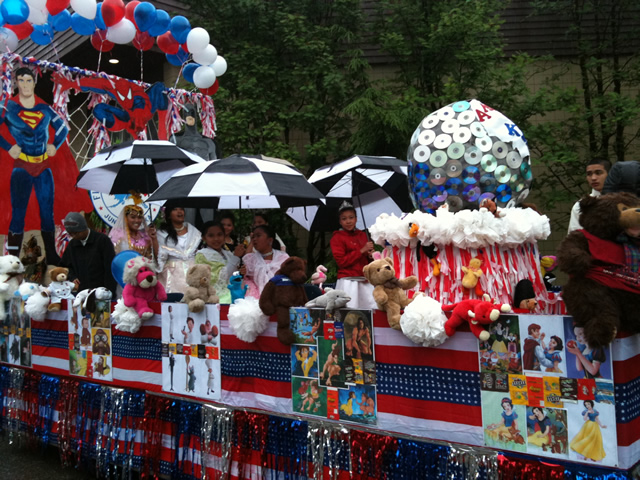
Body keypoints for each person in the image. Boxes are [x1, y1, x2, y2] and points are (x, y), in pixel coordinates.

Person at [0, 67, 69, 264]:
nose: (25, 85)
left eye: (28, 80)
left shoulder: (44, 109)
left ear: (34, 82)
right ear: (16, 83)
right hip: (22, 165)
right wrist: (8, 147)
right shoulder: (8, 107)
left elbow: (63, 128)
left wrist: (55, 144)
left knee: (47, 213)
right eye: (21, 80)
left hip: (43, 166)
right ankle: (12, 259)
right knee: (18, 213)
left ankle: (51, 255)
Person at [330, 201, 376, 310]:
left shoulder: (363, 235)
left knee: (371, 310)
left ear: (356, 219)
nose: (348, 221)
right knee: (349, 312)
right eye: (344, 219)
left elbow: (368, 260)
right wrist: (361, 251)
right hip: (348, 281)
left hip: (365, 280)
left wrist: (370, 256)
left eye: (351, 217)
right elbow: (341, 262)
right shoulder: (337, 238)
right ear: (340, 222)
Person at [59, 212, 117, 296]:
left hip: (101, 293)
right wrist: (72, 277)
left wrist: (109, 292)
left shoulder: (102, 241)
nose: (74, 236)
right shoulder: (72, 245)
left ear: (84, 228)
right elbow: (65, 266)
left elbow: (110, 269)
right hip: (81, 294)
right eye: (71, 234)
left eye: (76, 233)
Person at [194, 221, 245, 304]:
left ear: (224, 236)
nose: (216, 239)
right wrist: (235, 258)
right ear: (204, 238)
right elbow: (218, 279)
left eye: (219, 235)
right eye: (211, 235)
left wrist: (241, 271)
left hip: (232, 293)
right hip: (215, 297)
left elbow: (233, 275)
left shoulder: (228, 253)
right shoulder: (202, 255)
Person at [157, 202, 201, 296]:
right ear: (169, 215)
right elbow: (160, 256)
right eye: (175, 209)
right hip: (172, 274)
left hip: (192, 270)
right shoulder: (162, 233)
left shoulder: (194, 231)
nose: (179, 212)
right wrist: (153, 239)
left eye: (181, 209)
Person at [240, 225, 289, 298]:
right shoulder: (251, 259)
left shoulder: (282, 258)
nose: (254, 239)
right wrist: (243, 272)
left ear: (270, 240)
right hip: (255, 298)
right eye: (253, 237)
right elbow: (247, 280)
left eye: (258, 236)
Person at [568, 158, 611, 233]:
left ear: (610, 174)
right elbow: (575, 235)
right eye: (589, 174)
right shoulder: (581, 206)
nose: (593, 178)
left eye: (598, 173)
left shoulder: (623, 200)